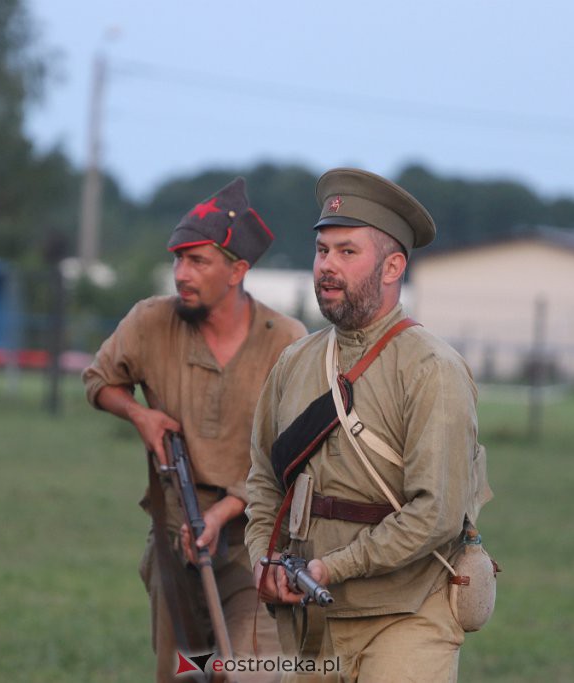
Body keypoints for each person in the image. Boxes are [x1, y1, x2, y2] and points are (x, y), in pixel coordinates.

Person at [245, 168, 489, 682]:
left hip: (406, 614)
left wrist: (334, 568)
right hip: (312, 621)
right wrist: (262, 558)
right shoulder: (293, 363)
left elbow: (436, 513)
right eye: (322, 251)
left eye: (347, 252)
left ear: (392, 265)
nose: (326, 266)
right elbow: (265, 481)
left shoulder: (432, 369)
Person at [83, 177, 306, 682]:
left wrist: (226, 508)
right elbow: (98, 380)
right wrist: (140, 415)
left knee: (250, 672)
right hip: (173, 536)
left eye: (198, 261)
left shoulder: (287, 342)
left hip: (257, 542)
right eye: (178, 259)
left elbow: (297, 455)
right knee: (186, 674)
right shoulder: (150, 322)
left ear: (237, 270)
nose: (181, 274)